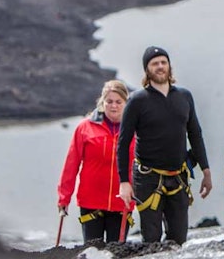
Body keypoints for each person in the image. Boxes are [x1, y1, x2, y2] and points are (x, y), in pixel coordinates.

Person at [117, 47, 212, 244]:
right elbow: (123, 142)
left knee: (179, 237)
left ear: (169, 66)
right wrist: (124, 182)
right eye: (155, 63)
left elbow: (195, 134)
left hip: (178, 176)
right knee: (151, 239)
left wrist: (206, 170)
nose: (160, 67)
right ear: (147, 69)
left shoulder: (184, 96)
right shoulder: (137, 100)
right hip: (147, 178)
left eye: (163, 62)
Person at [58, 79, 134, 243]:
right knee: (91, 254)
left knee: (117, 255)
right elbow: (71, 164)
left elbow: (142, 165)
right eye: (109, 101)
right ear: (102, 102)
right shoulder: (85, 127)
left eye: (118, 102)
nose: (113, 106)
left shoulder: (134, 130)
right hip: (91, 202)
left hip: (122, 202)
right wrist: (64, 198)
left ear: (126, 103)